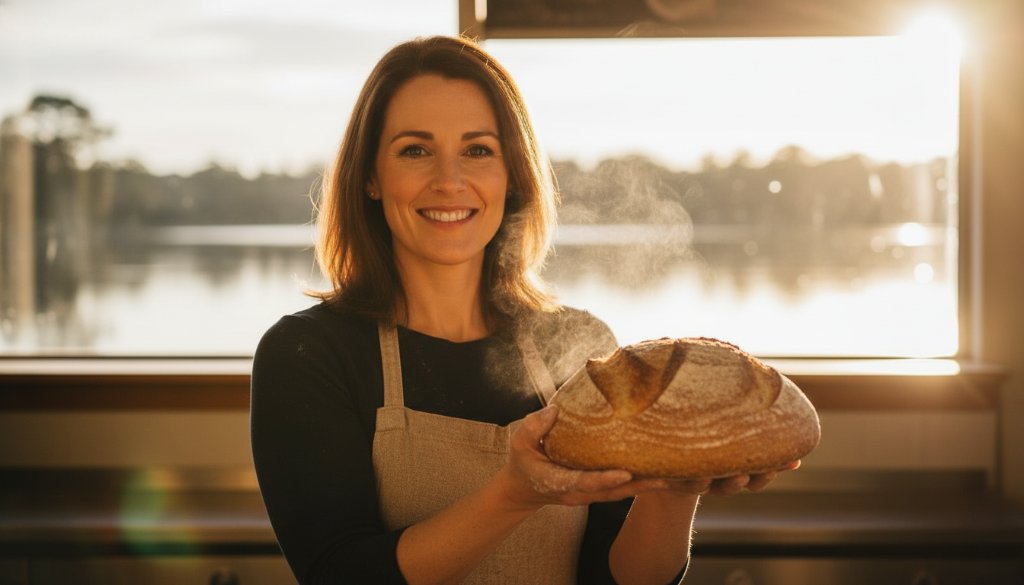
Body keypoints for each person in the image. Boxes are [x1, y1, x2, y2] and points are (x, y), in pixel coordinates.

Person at [250, 35, 794, 585]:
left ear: (512, 175)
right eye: (415, 149)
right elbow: (339, 575)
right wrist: (514, 495)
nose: (449, 180)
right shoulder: (308, 354)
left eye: (478, 150)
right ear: (370, 176)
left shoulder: (579, 343)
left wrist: (674, 492)